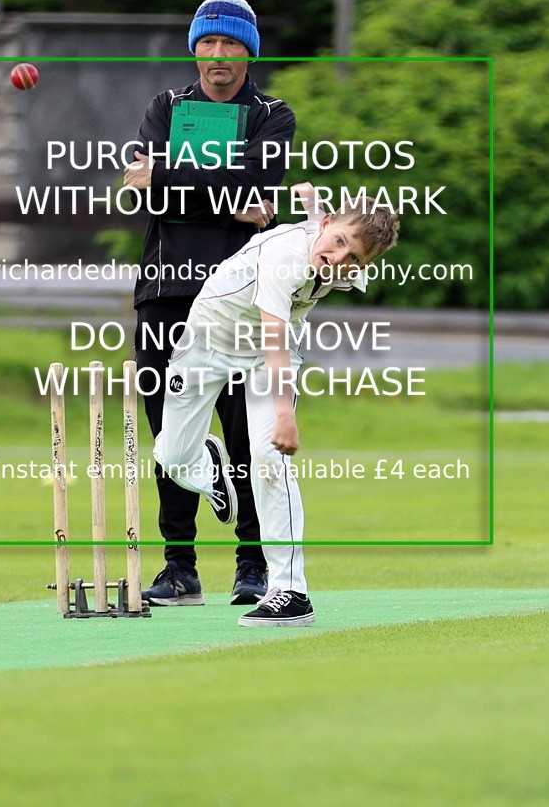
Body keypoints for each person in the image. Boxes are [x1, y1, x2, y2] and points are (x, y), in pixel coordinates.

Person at [153, 183, 400, 626]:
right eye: (339, 242)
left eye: (355, 259)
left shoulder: (337, 253)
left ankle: (290, 591)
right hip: (209, 337)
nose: (339, 260)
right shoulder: (284, 256)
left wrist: (313, 205)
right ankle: (211, 469)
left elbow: (322, 234)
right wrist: (286, 416)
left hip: (269, 354)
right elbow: (273, 332)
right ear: (327, 227)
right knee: (171, 459)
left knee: (269, 460)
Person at [123, 0, 296, 606]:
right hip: (165, 291)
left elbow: (256, 180)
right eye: (209, 43)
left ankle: (252, 564)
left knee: (246, 429)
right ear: (196, 50)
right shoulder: (165, 108)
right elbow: (147, 186)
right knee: (169, 428)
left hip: (238, 297)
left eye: (232, 44)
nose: (219, 57)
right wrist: (226, 194)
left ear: (248, 53)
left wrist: (171, 174)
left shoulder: (272, 116)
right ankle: (179, 567)